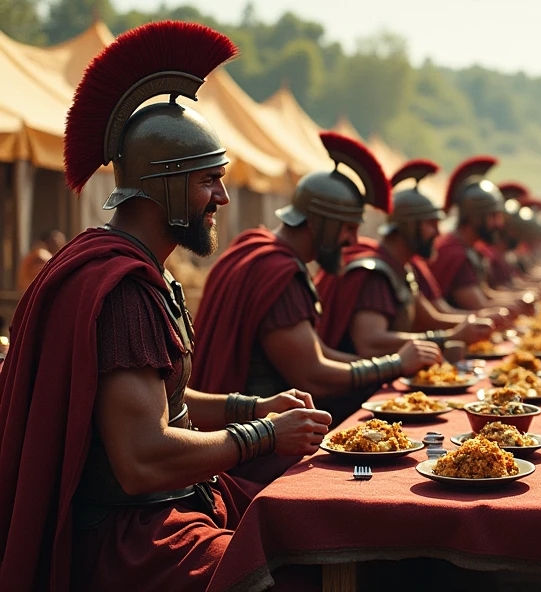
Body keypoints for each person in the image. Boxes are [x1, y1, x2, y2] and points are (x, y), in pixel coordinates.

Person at [0, 22, 332, 590]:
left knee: (311, 525)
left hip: (164, 511)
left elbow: (164, 405)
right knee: (293, 574)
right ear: (166, 185)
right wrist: (268, 435)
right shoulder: (124, 290)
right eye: (210, 182)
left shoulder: (135, 271)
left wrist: (252, 406)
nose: (222, 199)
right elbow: (141, 458)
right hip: (131, 538)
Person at [190, 134, 442, 418]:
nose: (353, 241)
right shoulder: (278, 271)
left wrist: (388, 365)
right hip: (259, 441)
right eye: (347, 228)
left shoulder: (259, 250)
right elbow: (312, 376)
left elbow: (319, 351)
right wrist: (395, 364)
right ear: (319, 223)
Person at [315, 159, 495, 357]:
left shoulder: (402, 268)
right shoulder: (375, 274)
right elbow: (370, 342)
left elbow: (430, 318)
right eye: (431, 224)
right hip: (362, 386)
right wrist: (448, 337)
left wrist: (479, 320)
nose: (438, 232)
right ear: (409, 226)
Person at [428, 156, 536, 313]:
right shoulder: (455, 252)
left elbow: (485, 294)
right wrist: (514, 305)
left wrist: (521, 298)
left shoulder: (472, 250)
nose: (499, 224)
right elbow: (478, 306)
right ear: (474, 216)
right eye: (492, 216)